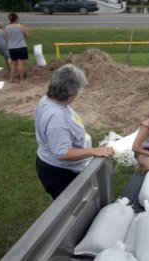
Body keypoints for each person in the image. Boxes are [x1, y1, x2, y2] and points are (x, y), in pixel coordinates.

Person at [34, 64, 114, 199]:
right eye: (77, 91)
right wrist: (94, 151)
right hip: (59, 172)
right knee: (73, 211)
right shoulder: (56, 118)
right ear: (70, 94)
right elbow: (62, 152)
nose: (77, 94)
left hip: (58, 166)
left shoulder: (48, 100)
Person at [4, 12, 29, 85]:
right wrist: (21, 36)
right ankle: (21, 80)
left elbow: (6, 39)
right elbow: (27, 35)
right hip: (21, 46)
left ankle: (11, 79)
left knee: (13, 64)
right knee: (21, 64)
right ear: (17, 18)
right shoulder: (21, 26)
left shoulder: (6, 27)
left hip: (12, 47)